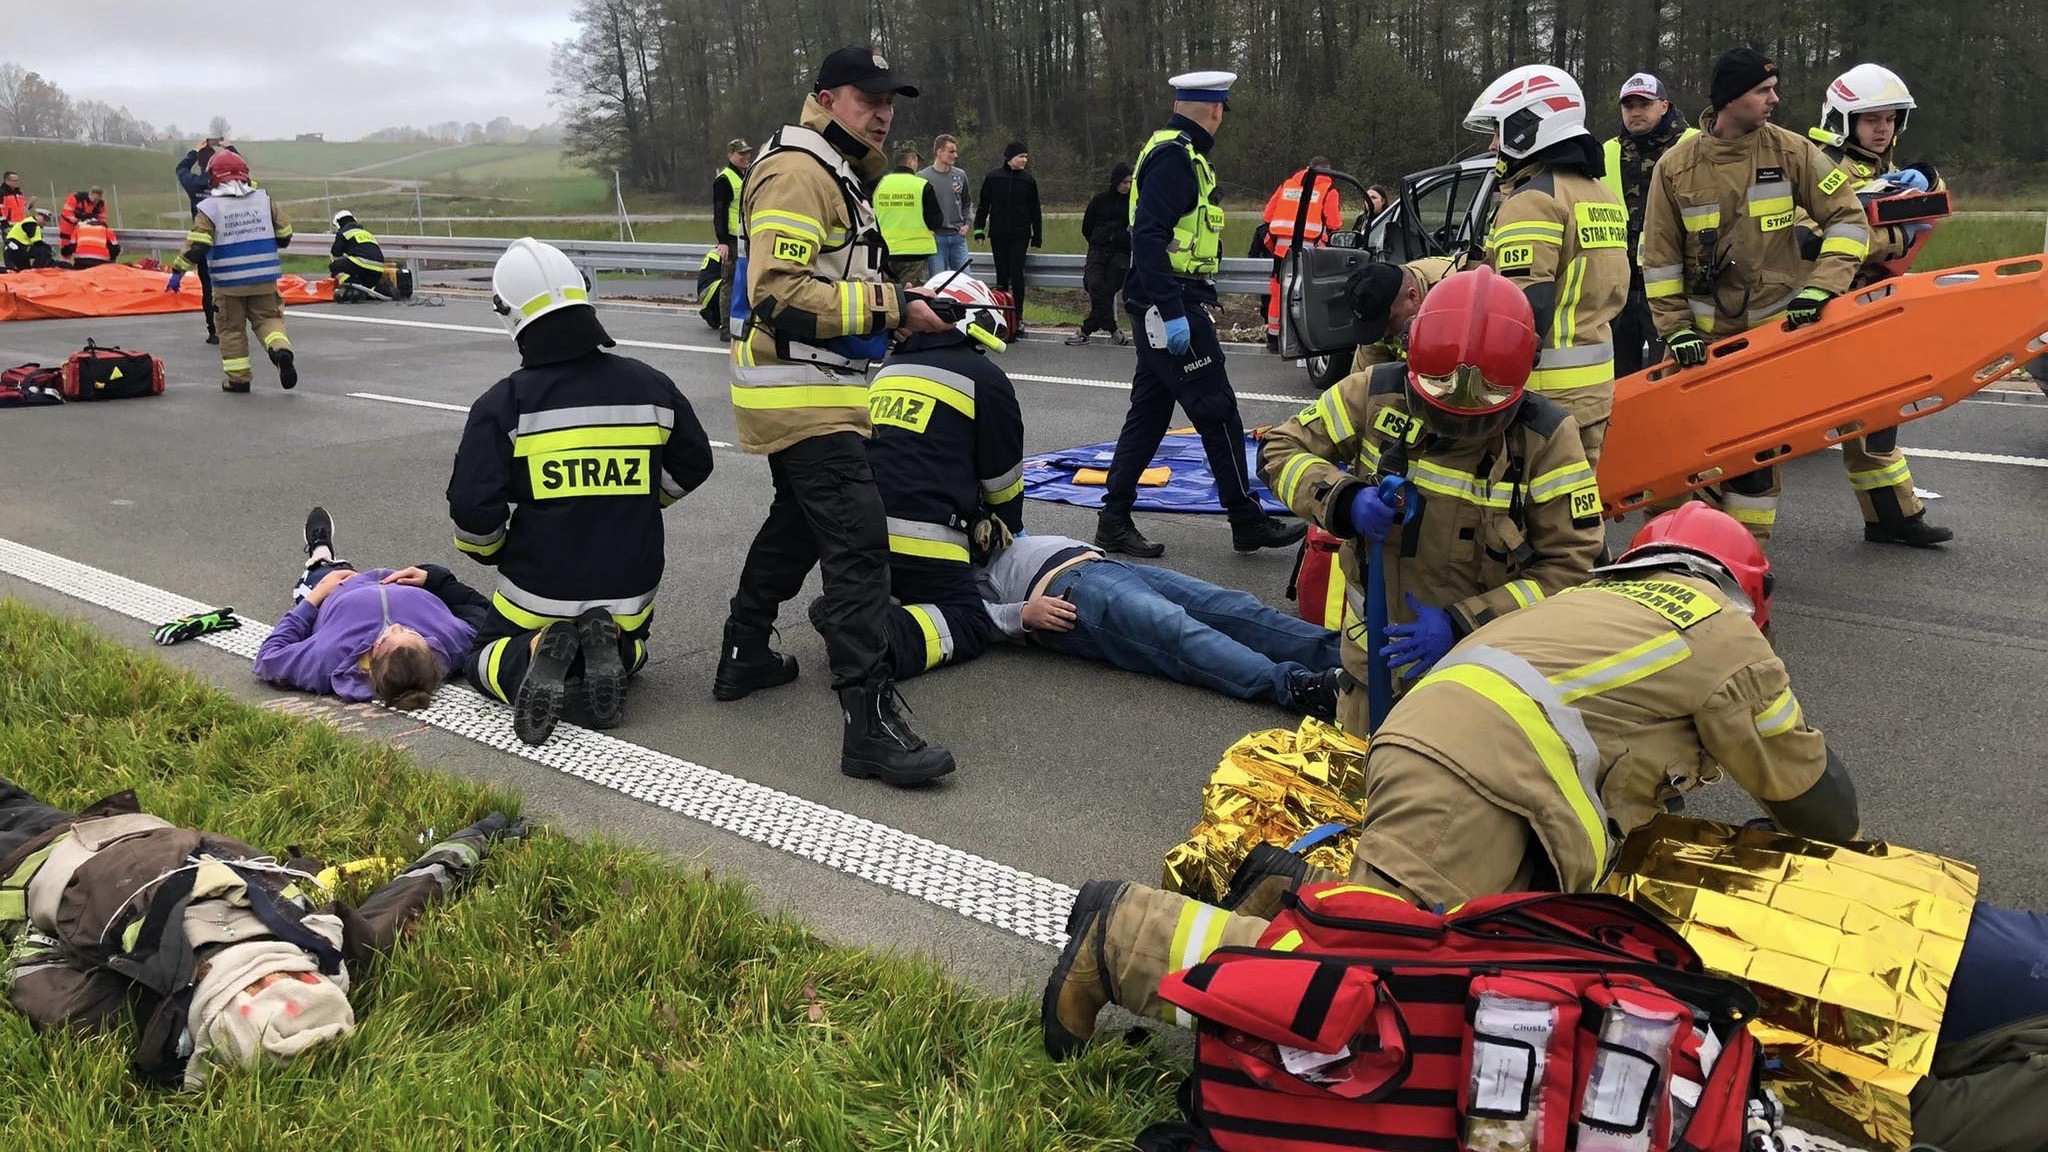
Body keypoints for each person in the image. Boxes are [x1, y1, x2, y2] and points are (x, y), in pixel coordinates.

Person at [1041, 503, 1862, 1059]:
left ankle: (1289, 892)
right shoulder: (1720, 632)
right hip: (1480, 781)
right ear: (1746, 590)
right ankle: (1127, 941)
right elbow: (1815, 798)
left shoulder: (1603, 603)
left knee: (1459, 980)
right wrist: (1836, 851)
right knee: (1377, 990)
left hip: (1465, 764)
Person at [714, 45, 958, 787]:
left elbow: (829, 283)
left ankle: (744, 652)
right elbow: (777, 292)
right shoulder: (799, 170)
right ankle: (869, 726)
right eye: (867, 98)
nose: (883, 114)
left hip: (815, 387)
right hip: (801, 391)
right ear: (826, 99)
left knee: (796, 524)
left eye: (889, 103)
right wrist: (892, 306)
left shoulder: (836, 169)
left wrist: (899, 312)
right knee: (858, 548)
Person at [0, 777, 524, 1088]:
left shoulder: (122, 1008)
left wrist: (479, 836)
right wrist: (480, 838)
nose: (264, 971)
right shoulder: (324, 942)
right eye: (286, 978)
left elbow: (29, 963)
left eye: (255, 986)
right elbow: (410, 892)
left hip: (65, 846)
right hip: (78, 845)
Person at [1260, 266, 1605, 732]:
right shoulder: (1375, 393)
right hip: (1370, 669)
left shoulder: (1546, 439)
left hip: (1483, 681)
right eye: (1442, 403)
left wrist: (1464, 623)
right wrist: (1343, 498)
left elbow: (1574, 569)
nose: (1459, 422)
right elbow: (1279, 449)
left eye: (1478, 413)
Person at [448, 238, 712, 745]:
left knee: (479, 658)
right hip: (630, 592)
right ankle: (615, 648)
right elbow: (696, 462)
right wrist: (642, 500)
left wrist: (495, 551)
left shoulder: (504, 404)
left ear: (508, 314)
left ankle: (537, 648)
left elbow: (472, 510)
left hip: (537, 592)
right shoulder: (652, 386)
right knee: (638, 650)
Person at [1639, 47, 1871, 550]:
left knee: (1756, 460)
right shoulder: (1675, 167)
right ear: (1730, 98)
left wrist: (1822, 286)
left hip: (1771, 342)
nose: (1774, 99)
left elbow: (1849, 219)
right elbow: (1658, 260)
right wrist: (1676, 329)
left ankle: (1744, 559)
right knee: (1679, 457)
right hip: (1698, 347)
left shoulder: (1792, 152)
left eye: (1774, 89)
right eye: (1763, 91)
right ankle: (1669, 554)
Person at [1096, 70, 1303, 559]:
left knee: (1149, 415)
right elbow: (1149, 238)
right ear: (1215, 110)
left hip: (1165, 297)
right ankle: (1245, 519)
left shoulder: (1175, 151)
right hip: (1170, 300)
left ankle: (1113, 520)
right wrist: (1172, 312)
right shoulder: (1175, 158)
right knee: (1217, 409)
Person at [890, 530, 1342, 718]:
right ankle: (1298, 687)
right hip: (1070, 595)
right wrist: (1019, 616)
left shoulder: (950, 509)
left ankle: (1345, 654)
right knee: (1178, 631)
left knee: (1234, 608)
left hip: (1102, 564)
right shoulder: (917, 566)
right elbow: (963, 617)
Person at [1799, 64, 1952, 547]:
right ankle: (1716, 528)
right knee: (1763, 433)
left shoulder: (1880, 168)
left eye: (1889, 119)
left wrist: (1928, 180)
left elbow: (1932, 203)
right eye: (1871, 119)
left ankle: (1893, 518)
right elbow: (1809, 241)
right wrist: (1898, 236)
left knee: (1877, 420)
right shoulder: (1822, 167)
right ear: (1843, 120)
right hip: (1826, 310)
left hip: (1867, 309)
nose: (1883, 128)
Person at [1464, 65, 1630, 466]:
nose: (1493, 144)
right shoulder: (1601, 194)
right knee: (1576, 502)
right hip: (1593, 391)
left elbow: (1522, 311)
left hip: (1543, 399)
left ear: (1529, 125)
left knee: (1523, 505)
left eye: (1499, 130)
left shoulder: (1533, 201)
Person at [865, 272, 1022, 680]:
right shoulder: (984, 379)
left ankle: (857, 607)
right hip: (924, 542)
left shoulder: (888, 370)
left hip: (862, 536)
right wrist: (1008, 528)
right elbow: (1002, 478)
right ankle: (874, 634)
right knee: (969, 621)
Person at [253, 506, 487, 710]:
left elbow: (269, 657)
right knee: (433, 569)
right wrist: (435, 578)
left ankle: (321, 552)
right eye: (413, 633)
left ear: (373, 657)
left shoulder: (328, 659)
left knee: (320, 574)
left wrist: (315, 598)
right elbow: (484, 612)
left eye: (390, 638)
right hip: (404, 579)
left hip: (340, 589)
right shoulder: (454, 644)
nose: (398, 626)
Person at [166, 151, 297, 394]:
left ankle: (239, 379)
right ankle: (281, 351)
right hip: (264, 279)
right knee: (269, 320)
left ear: (213, 177)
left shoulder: (210, 207)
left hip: (228, 284)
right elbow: (285, 234)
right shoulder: (263, 200)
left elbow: (198, 245)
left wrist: (178, 270)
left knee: (231, 330)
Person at [1603, 73, 1697, 376]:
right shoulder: (1607, 151)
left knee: (1667, 375)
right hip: (1619, 287)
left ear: (1664, 105)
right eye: (1628, 106)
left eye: (1644, 104)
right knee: (1618, 378)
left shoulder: (1695, 144)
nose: (1635, 112)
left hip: (1672, 287)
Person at [1260, 157, 1343, 349]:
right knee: (1306, 294)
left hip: (1281, 249)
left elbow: (1268, 215)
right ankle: (1301, 338)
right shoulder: (1329, 189)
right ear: (1329, 171)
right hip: (1310, 250)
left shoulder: (1288, 185)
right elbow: (1334, 223)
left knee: (1278, 291)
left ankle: (1274, 337)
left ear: (1307, 168)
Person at [1344, 255, 1458, 374]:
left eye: (1389, 322)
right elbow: (1364, 375)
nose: (1384, 334)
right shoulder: (1378, 310)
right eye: (1375, 326)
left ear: (1412, 296)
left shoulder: (1455, 296)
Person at [973, 142, 1041, 332]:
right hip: (998, 233)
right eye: (1021, 156)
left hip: (1020, 234)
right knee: (1001, 275)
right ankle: (1001, 315)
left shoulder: (1028, 180)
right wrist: (979, 230)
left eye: (1026, 156)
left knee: (1017, 274)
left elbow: (1035, 209)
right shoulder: (994, 177)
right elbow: (983, 205)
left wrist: (1037, 235)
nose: (1025, 160)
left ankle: (1018, 317)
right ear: (1010, 157)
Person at [175, 138, 238, 344]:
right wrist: (229, 148)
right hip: (228, 241)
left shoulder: (194, 184)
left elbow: (181, 169)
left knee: (208, 288)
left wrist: (194, 151)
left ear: (201, 164)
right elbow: (240, 169)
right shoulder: (228, 183)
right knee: (230, 286)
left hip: (203, 242)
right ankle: (232, 326)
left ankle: (213, 330)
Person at [1068, 162, 1132, 345]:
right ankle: (1112, 328)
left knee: (1107, 290)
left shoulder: (1134, 203)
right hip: (1098, 250)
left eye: (1130, 182)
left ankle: (1086, 330)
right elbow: (1086, 227)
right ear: (1116, 181)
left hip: (1121, 253)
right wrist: (1098, 240)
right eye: (1124, 182)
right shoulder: (1099, 200)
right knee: (1094, 284)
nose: (1127, 186)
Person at [874, 140, 944, 280]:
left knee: (889, 292)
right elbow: (936, 220)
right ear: (911, 161)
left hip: (885, 252)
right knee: (912, 292)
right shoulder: (922, 185)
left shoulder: (879, 184)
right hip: (916, 253)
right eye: (916, 161)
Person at [709, 138, 753, 340]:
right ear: (731, 155)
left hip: (746, 238)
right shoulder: (724, 179)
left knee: (746, 281)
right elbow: (719, 212)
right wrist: (723, 241)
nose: (745, 157)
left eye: (747, 153)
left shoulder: (746, 176)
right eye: (741, 154)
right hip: (733, 240)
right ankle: (726, 327)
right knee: (731, 281)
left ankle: (743, 323)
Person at [918, 133, 973, 275]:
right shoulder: (923, 177)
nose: (955, 155)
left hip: (958, 236)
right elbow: (918, 208)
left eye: (955, 151)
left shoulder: (960, 175)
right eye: (951, 151)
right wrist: (926, 230)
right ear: (939, 152)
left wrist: (967, 223)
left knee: (965, 279)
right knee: (938, 281)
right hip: (935, 239)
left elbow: (967, 202)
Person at [328, 210, 388, 298]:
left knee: (334, 266)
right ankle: (362, 288)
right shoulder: (366, 232)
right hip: (378, 268)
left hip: (362, 264)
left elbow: (336, 252)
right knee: (362, 280)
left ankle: (348, 284)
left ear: (338, 223)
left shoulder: (343, 232)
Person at [58, 185, 106, 254]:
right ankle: (65, 258)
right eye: (94, 199)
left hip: (87, 227)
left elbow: (102, 219)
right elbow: (67, 213)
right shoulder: (76, 198)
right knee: (66, 248)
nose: (95, 202)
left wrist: (96, 224)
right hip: (69, 226)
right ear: (90, 194)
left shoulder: (101, 205)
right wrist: (78, 222)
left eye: (97, 200)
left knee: (84, 247)